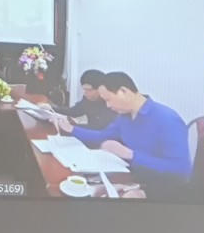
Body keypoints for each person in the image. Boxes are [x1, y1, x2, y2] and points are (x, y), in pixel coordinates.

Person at [53, 71, 192, 182]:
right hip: (131, 177)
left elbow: (181, 169)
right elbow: (103, 136)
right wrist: (71, 129)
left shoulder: (167, 119)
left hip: (158, 187)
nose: (108, 105)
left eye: (108, 100)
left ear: (123, 91)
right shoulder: (124, 116)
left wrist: (130, 154)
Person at [46, 69, 116, 130]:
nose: (85, 93)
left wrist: (70, 126)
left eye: (89, 90)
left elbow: (99, 128)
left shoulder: (111, 104)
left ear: (101, 89)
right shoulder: (88, 99)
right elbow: (75, 111)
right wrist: (51, 108)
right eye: (84, 89)